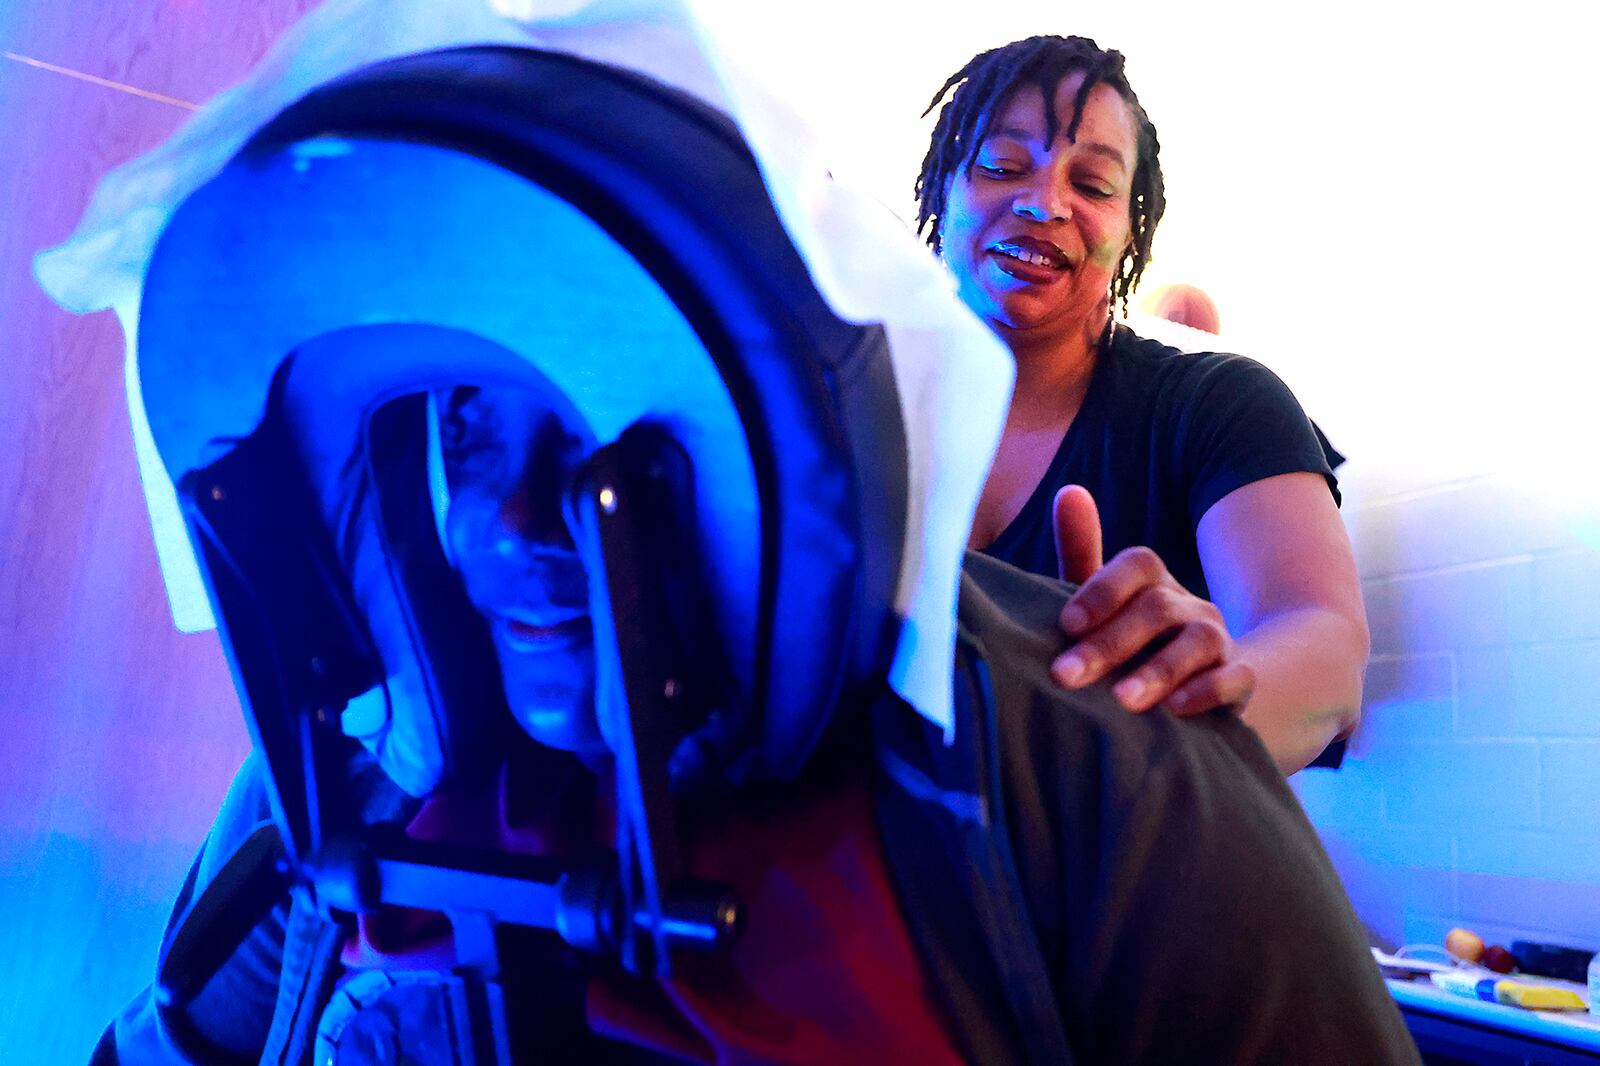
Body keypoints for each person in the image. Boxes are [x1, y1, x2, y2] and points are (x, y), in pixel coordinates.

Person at [95, 379, 1419, 1064]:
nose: (505, 519)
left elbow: (1324, 655)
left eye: (590, 432)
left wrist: (1155, 730)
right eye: (471, 431)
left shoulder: (1051, 748)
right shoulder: (348, 795)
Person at [914, 34, 1371, 775]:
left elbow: (1322, 645)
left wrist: (1186, 721)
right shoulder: (843, 416)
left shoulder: (1220, 405)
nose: (1044, 201)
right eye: (1002, 164)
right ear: (943, 190)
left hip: (1151, 873)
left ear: (1129, 236)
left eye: (1092, 186)